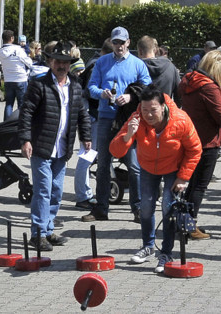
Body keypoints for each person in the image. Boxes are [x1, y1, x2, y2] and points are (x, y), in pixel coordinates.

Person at [110, 84, 202, 273]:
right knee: (145, 207)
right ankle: (148, 246)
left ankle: (166, 253)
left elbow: (195, 149)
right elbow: (115, 149)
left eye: (153, 110)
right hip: (148, 167)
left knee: (168, 207)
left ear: (163, 106)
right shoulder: (136, 119)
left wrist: (183, 177)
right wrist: (128, 134)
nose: (148, 115)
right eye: (144, 110)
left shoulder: (180, 120)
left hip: (173, 168)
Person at [18, 41, 92, 251]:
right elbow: (26, 113)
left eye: (66, 62)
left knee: (56, 191)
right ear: (50, 61)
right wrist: (25, 139)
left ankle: (48, 230)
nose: (62, 66)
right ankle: (38, 234)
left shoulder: (76, 85)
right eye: (58, 61)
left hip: (62, 149)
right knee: (42, 190)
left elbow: (81, 114)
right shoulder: (39, 84)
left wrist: (86, 136)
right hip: (41, 146)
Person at [82, 26, 151, 222]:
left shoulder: (138, 64)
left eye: (122, 42)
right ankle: (101, 209)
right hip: (105, 117)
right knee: (103, 164)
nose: (119, 46)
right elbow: (91, 87)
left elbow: (147, 88)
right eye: (116, 42)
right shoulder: (102, 62)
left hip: (127, 120)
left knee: (134, 165)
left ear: (129, 42)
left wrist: (130, 96)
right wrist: (102, 93)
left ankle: (138, 209)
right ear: (111, 43)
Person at [179, 50, 221, 239]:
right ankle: (190, 226)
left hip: (189, 139)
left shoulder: (187, 81)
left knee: (189, 184)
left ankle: (182, 222)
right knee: (199, 186)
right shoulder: (210, 87)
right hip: (207, 142)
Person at [74, 38, 113, 210]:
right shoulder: (97, 64)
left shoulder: (92, 63)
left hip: (91, 116)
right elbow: (90, 91)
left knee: (89, 156)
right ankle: (83, 195)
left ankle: (87, 193)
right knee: (87, 156)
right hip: (92, 117)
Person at [0, 30, 32, 121]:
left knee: (9, 104)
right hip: (20, 78)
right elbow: (28, 62)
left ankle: (6, 124)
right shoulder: (18, 49)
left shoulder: (0, 51)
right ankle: (20, 124)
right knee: (21, 104)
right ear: (12, 38)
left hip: (8, 79)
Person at [137, 35, 180, 103]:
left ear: (140, 51)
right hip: (166, 109)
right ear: (155, 50)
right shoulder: (171, 66)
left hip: (143, 111)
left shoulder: (136, 67)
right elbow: (179, 94)